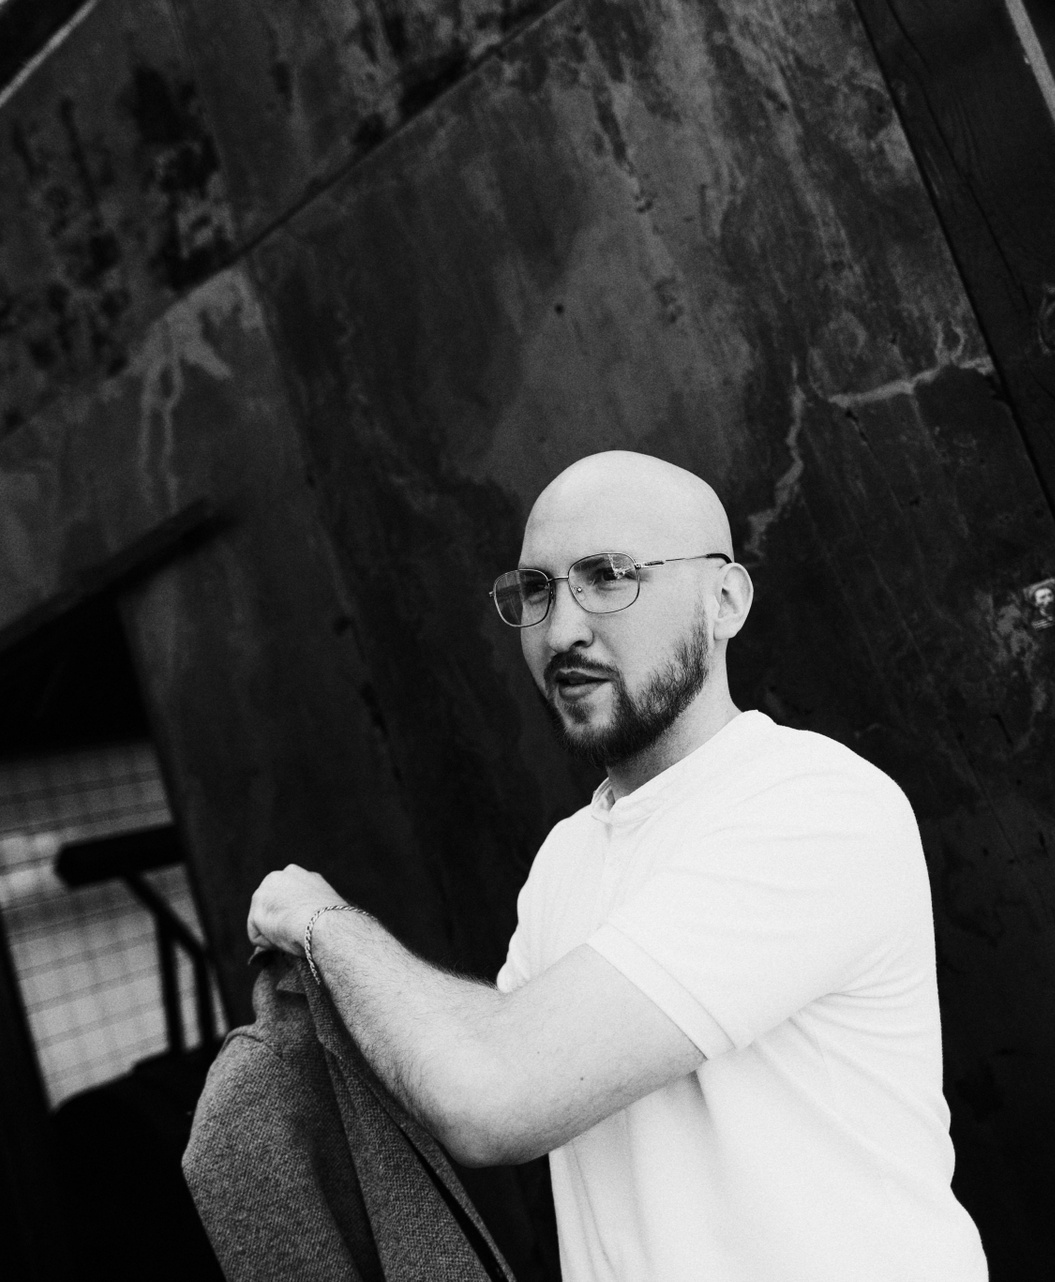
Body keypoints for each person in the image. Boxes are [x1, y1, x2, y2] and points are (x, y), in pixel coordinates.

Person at [247, 450, 988, 1280]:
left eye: (608, 577)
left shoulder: (813, 807)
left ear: (725, 601)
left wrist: (319, 923)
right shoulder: (568, 855)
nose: (561, 630)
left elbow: (491, 1091)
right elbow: (469, 1054)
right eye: (537, 590)